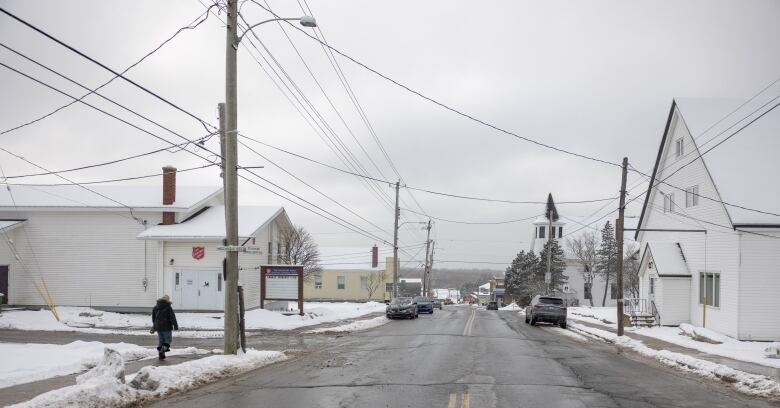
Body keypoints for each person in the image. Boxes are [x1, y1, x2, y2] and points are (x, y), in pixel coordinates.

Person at [150, 295, 178, 359]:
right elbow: (172, 317)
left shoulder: (155, 307)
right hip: (166, 326)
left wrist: (154, 326)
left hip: (158, 327)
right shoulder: (168, 307)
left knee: (161, 341)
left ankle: (161, 354)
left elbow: (153, 318)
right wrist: (175, 326)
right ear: (167, 301)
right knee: (168, 340)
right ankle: (162, 351)